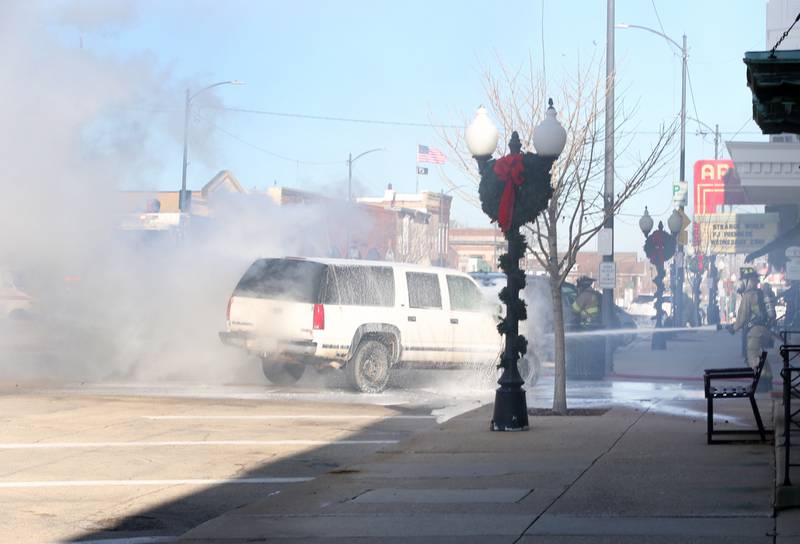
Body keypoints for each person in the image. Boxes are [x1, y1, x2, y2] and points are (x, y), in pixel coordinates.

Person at [727, 267, 773, 389]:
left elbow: (742, 317)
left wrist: (733, 328)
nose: (741, 283)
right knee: (762, 356)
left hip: (755, 332)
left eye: (743, 280)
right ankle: (768, 382)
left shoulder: (748, 296)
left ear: (748, 281)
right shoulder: (761, 293)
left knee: (753, 356)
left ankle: (760, 384)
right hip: (765, 331)